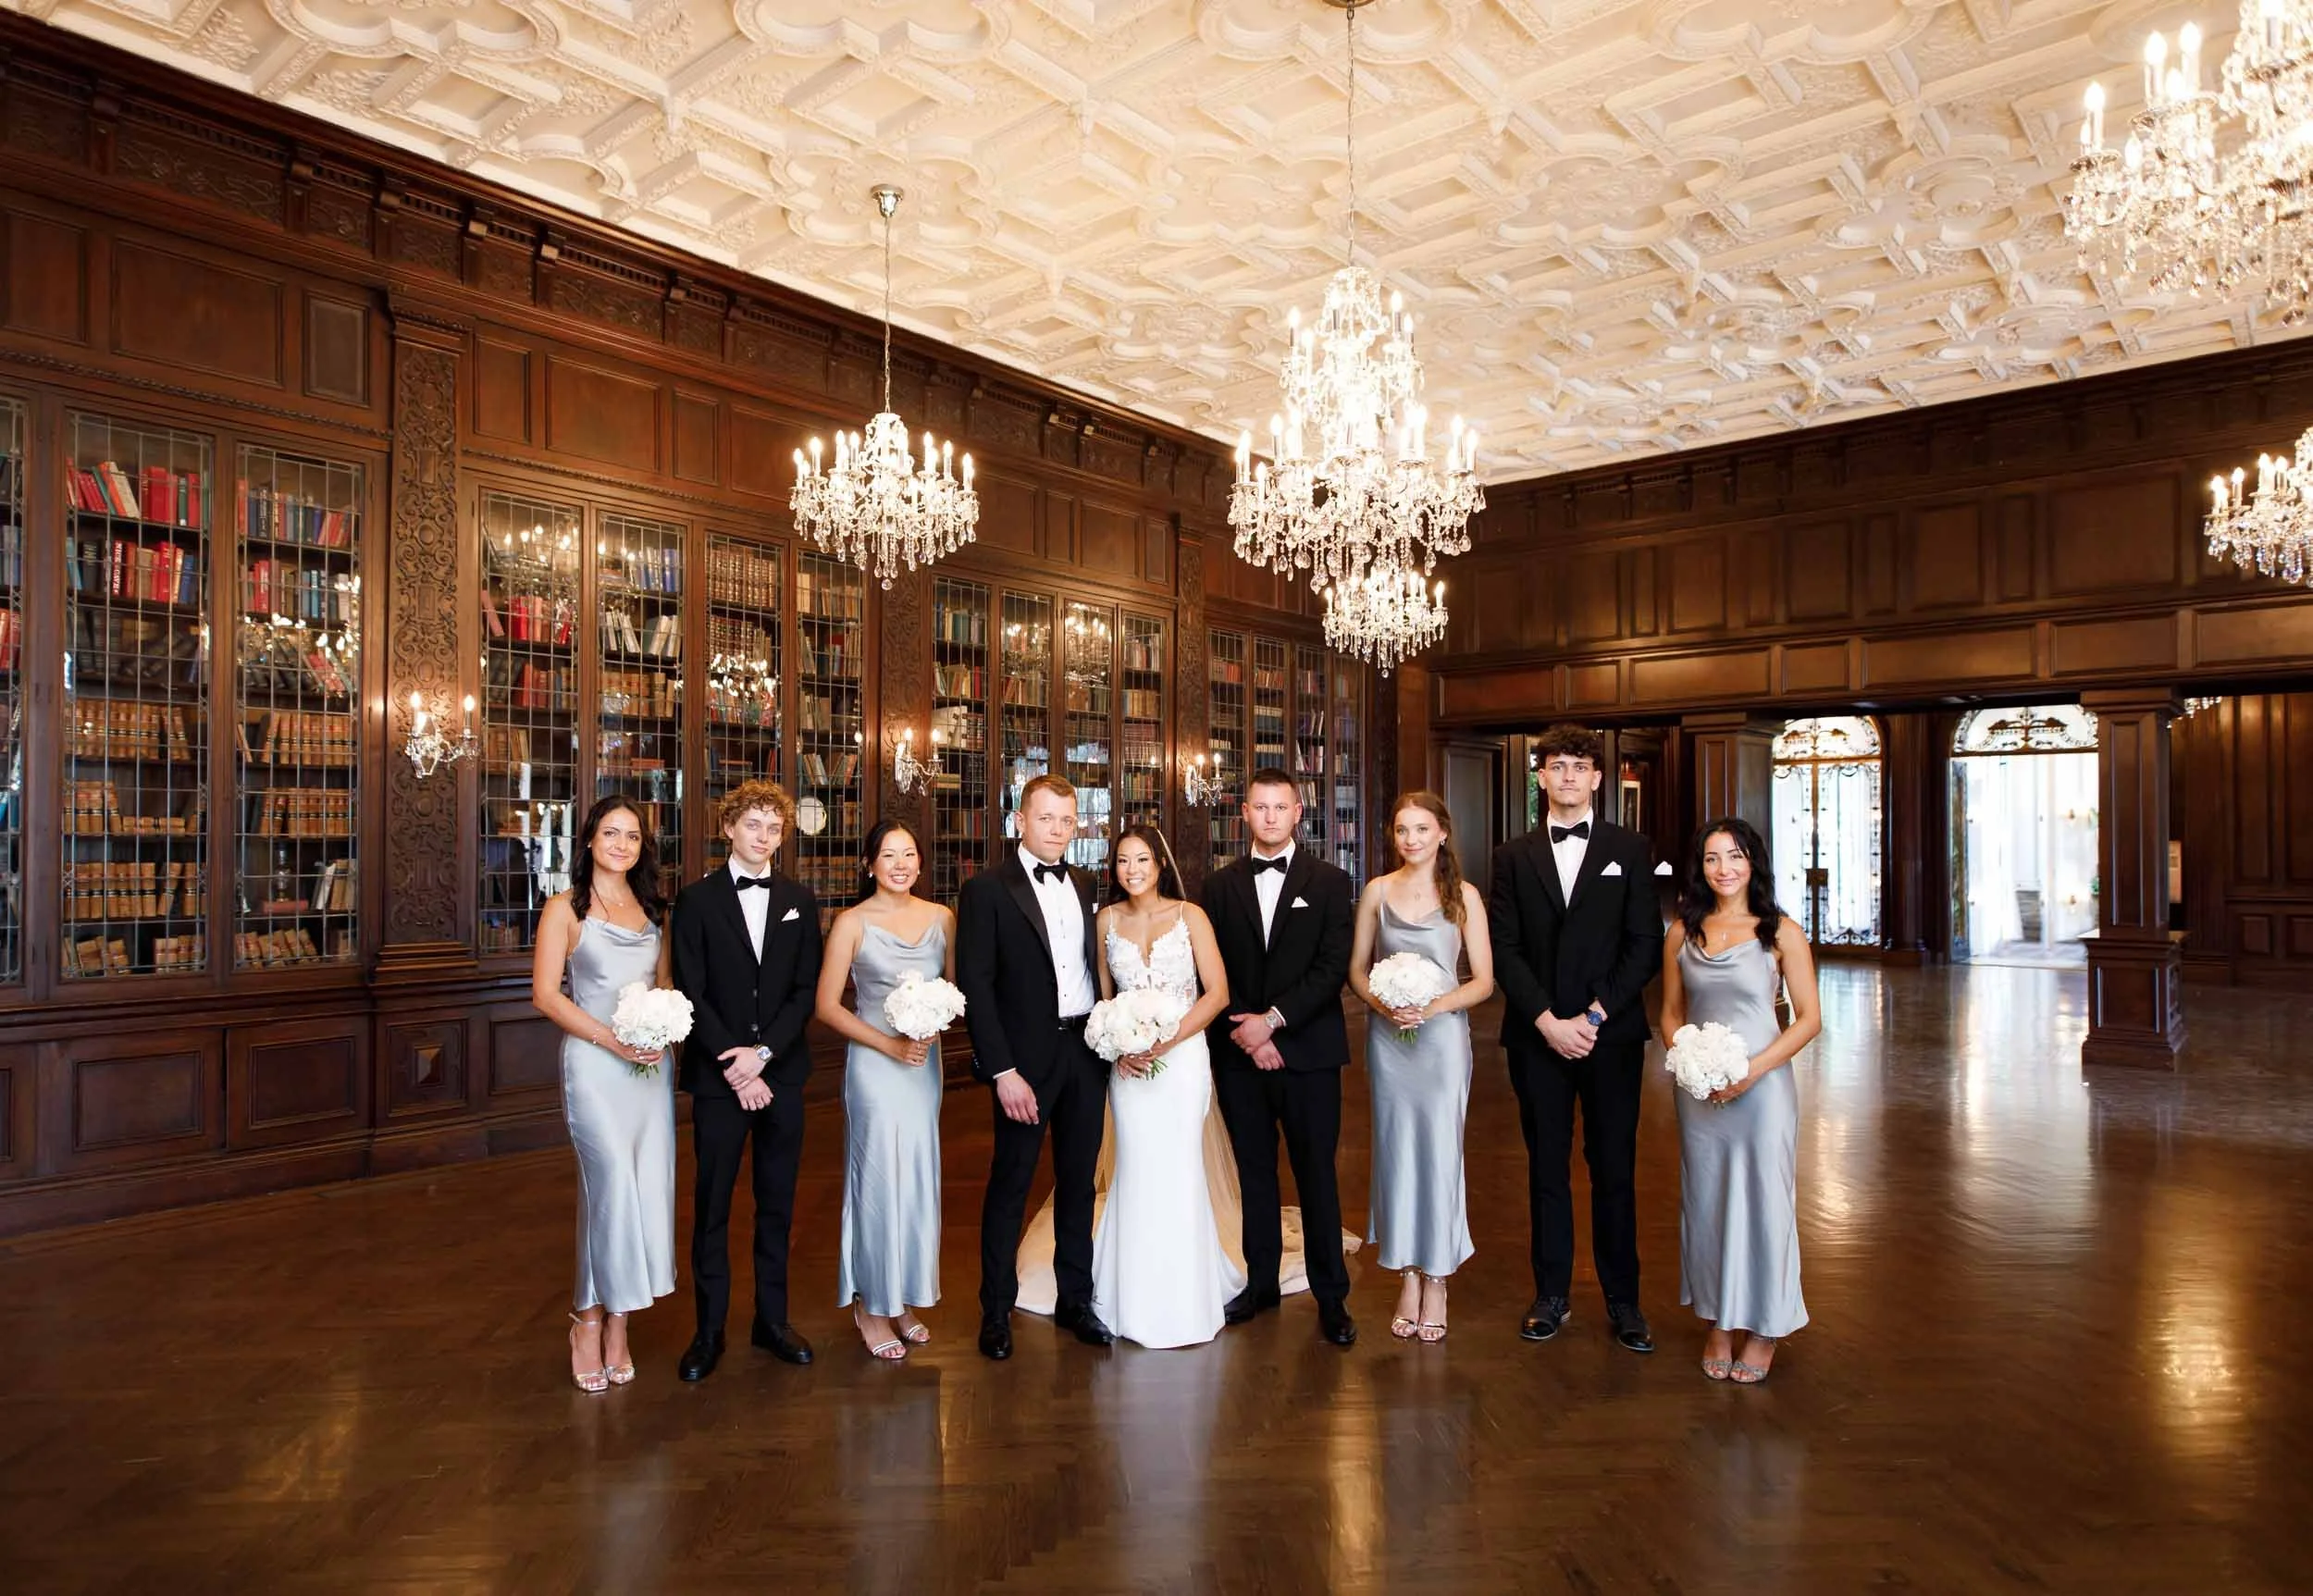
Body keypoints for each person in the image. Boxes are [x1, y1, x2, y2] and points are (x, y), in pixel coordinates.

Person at [1489, 724, 1665, 1352]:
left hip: (1609, 1039)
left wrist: (1593, 1017)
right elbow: (1503, 949)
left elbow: (1644, 943)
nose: (1567, 776)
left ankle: (1625, 1301)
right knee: (1546, 1168)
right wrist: (1546, 1020)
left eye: (1578, 766)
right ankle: (1551, 1294)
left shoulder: (1631, 847)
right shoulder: (1511, 856)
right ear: (1540, 776)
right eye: (1556, 765)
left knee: (1614, 1168)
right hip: (1536, 1037)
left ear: (1597, 778)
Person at [669, 779, 823, 1380]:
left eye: (774, 827)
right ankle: (708, 1332)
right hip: (718, 1079)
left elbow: (804, 989)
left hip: (781, 1073)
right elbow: (691, 989)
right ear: (729, 827)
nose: (763, 836)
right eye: (753, 824)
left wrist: (763, 1054)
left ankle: (772, 1320)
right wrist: (736, 1063)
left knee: (777, 1204)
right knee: (712, 1206)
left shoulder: (798, 899)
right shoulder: (696, 899)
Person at [958, 773, 1114, 1360]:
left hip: (1084, 1052)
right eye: (1046, 818)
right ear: (1020, 820)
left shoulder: (1085, 881)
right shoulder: (987, 889)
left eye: (1067, 821)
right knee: (1011, 1184)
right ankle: (994, 1311)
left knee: (1078, 1184)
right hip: (1024, 1062)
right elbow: (977, 982)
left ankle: (1077, 1300)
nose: (1057, 830)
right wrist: (1001, 1071)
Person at [1202, 767, 1359, 1348]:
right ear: (1244, 813)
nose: (1270, 818)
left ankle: (1332, 1296)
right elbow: (1209, 970)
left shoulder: (1330, 881)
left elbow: (1330, 970)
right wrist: (1248, 1030)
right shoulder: (1218, 887)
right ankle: (1260, 1283)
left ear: (1298, 813)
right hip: (1240, 1055)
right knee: (1255, 1176)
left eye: (1280, 808)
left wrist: (1272, 1024)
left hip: (1309, 1055)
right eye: (1259, 808)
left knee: (1317, 1175)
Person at [1659, 817, 1820, 1384]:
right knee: (1705, 1202)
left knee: (1765, 1202)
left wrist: (1751, 1072)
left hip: (1763, 1089)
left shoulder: (1781, 933)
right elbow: (1671, 1014)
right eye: (1711, 858)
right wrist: (1690, 1060)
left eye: (1735, 856)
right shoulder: (1683, 931)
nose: (1724, 868)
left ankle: (1767, 1326)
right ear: (1699, 867)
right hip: (1700, 1091)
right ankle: (1719, 1322)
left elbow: (1809, 1021)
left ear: (1754, 862)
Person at [530, 797, 678, 1392]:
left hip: (649, 1069)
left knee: (642, 1190)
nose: (622, 844)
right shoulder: (564, 909)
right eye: (611, 833)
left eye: (633, 836)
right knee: (610, 1186)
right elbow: (546, 995)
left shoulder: (651, 910)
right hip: (594, 1064)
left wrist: (659, 1031)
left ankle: (619, 1324)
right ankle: (585, 1321)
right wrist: (612, 1041)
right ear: (588, 839)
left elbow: (663, 985)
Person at [1089, 824, 1243, 1348]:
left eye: (1142, 861)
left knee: (1179, 1169)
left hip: (1182, 1060)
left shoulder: (1189, 915)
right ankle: (1127, 1294)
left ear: (1160, 864)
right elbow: (1103, 1000)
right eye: (1123, 862)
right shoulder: (1106, 920)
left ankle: (1185, 1296)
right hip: (1129, 1066)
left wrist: (1166, 1039)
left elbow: (1217, 993)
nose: (1132, 871)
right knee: (1134, 1167)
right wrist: (1122, 1043)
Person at [1349, 792, 1493, 1343]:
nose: (1410, 839)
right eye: (1401, 829)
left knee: (1439, 1152)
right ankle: (1406, 1272)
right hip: (1389, 1041)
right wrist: (1383, 1003)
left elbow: (1482, 979)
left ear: (1442, 834)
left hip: (1440, 1042)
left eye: (1421, 828)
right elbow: (1358, 971)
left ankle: (1438, 1276)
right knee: (1395, 1152)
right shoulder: (1376, 893)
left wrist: (1430, 1006)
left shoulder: (1464, 897)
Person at [814, 820, 955, 1362]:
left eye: (910, 854)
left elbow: (953, 990)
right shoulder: (851, 922)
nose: (901, 864)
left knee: (917, 1174)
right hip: (875, 1064)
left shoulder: (943, 917)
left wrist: (929, 1026)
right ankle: (870, 1304)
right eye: (889, 855)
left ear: (921, 863)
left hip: (924, 1065)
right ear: (869, 863)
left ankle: (903, 1296)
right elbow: (828, 1006)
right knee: (876, 1176)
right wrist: (890, 1045)